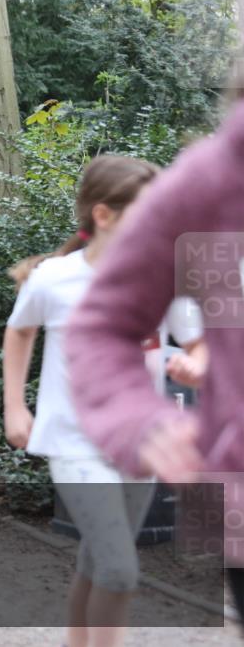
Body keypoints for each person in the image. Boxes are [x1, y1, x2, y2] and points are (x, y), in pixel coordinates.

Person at [2, 155, 207, 647]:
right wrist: (15, 405)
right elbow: (19, 331)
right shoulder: (53, 279)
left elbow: (197, 342)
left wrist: (195, 365)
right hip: (74, 444)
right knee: (119, 569)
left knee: (97, 562)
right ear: (104, 214)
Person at [66, 103, 244, 618]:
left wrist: (205, 363)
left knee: (106, 559)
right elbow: (98, 329)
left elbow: (199, 339)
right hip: (82, 438)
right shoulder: (210, 181)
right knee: (111, 562)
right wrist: (139, 420)